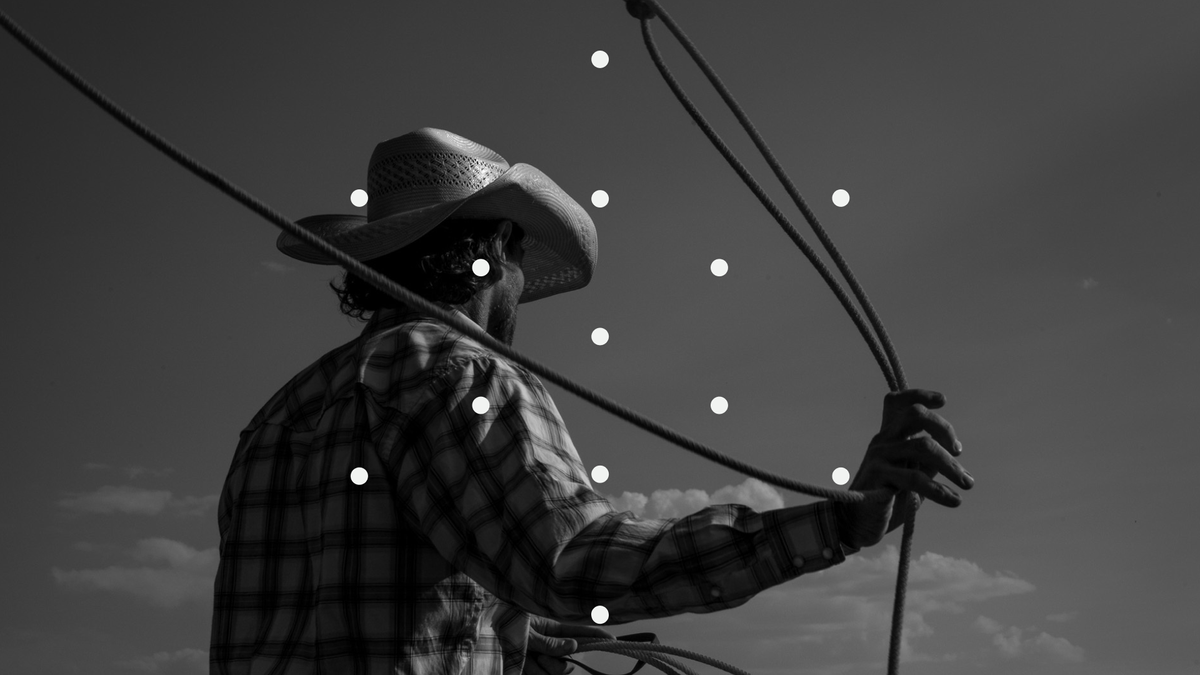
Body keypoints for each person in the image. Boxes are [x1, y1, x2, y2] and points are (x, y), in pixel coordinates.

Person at [209, 128, 975, 675]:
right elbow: (573, 560)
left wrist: (506, 627)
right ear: (498, 251)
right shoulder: (456, 371)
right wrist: (842, 518)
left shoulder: (279, 417)